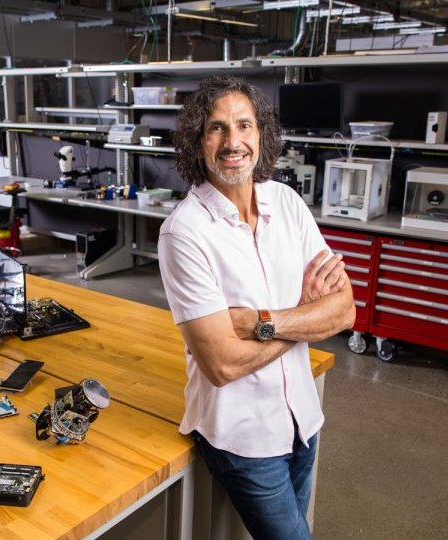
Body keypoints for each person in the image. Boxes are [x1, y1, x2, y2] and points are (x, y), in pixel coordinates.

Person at [158, 75, 356, 539]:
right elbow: (222, 364)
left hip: (302, 420)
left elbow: (344, 310)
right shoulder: (184, 233)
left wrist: (260, 322)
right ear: (198, 140)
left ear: (261, 134)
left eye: (244, 125)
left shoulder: (286, 203)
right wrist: (303, 315)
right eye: (217, 128)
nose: (233, 142)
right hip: (242, 438)